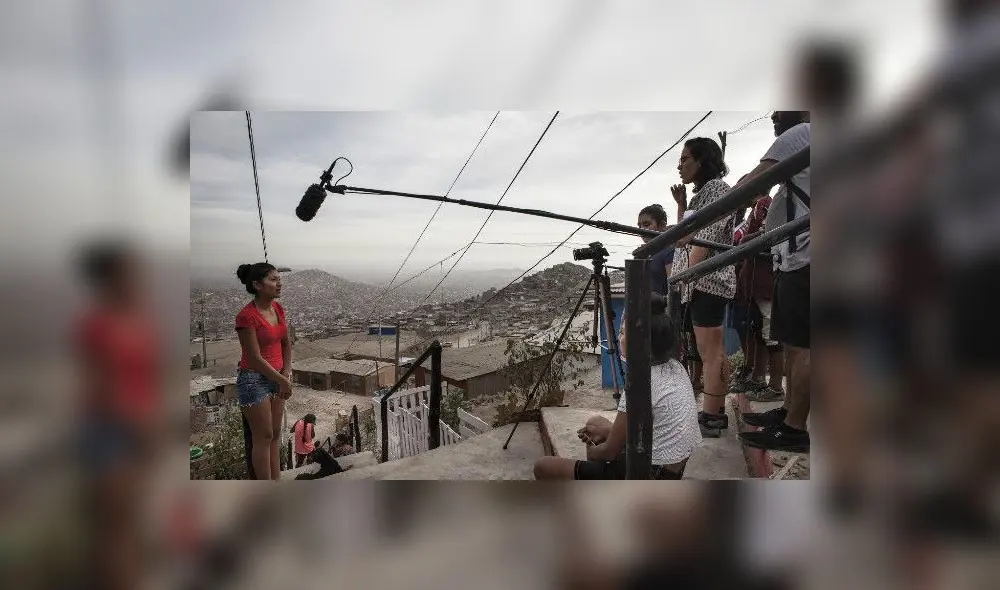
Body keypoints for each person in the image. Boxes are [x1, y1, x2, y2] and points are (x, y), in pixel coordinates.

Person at [533, 299, 702, 480]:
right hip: (668, 465)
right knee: (595, 423)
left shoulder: (639, 382)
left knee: (543, 466)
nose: (620, 337)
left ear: (639, 343)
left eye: (622, 332)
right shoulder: (675, 366)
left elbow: (609, 452)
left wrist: (592, 449)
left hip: (648, 474)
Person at [75, 240, 160, 590]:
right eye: (127, 272)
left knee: (129, 522)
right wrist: (137, 425)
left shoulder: (134, 320)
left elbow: (145, 377)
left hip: (134, 428)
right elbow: (100, 385)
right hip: (111, 429)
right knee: (115, 526)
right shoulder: (98, 325)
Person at [737, 111, 811, 453]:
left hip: (806, 256)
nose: (774, 115)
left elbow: (755, 183)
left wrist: (695, 225)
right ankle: (788, 414)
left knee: (804, 346)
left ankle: (794, 428)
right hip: (798, 257)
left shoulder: (802, 132)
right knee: (795, 344)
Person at [669, 137, 737, 437]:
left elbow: (704, 239)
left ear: (701, 160)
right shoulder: (703, 195)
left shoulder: (717, 190)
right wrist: (682, 205)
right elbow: (683, 237)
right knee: (709, 351)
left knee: (712, 352)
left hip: (707, 281)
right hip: (699, 282)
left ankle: (711, 416)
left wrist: (684, 275)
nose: (679, 165)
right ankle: (715, 410)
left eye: (685, 159)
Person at [234, 262, 293, 479]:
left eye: (279, 279)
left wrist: (285, 373)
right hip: (253, 380)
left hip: (278, 376)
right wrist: (282, 380)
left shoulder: (278, 309)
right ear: (258, 285)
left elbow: (286, 343)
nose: (279, 283)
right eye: (273, 279)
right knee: (264, 436)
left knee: (275, 435)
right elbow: (253, 358)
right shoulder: (246, 316)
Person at [729, 189, 784, 402]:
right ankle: (758, 378)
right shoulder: (757, 208)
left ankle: (776, 387)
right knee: (759, 333)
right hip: (754, 282)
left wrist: (745, 242)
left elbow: (767, 234)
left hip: (765, 281)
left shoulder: (766, 204)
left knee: (772, 336)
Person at [636, 203, 675, 294]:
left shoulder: (669, 251)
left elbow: (673, 290)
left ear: (662, 225)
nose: (641, 229)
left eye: (646, 224)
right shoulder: (642, 254)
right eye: (639, 226)